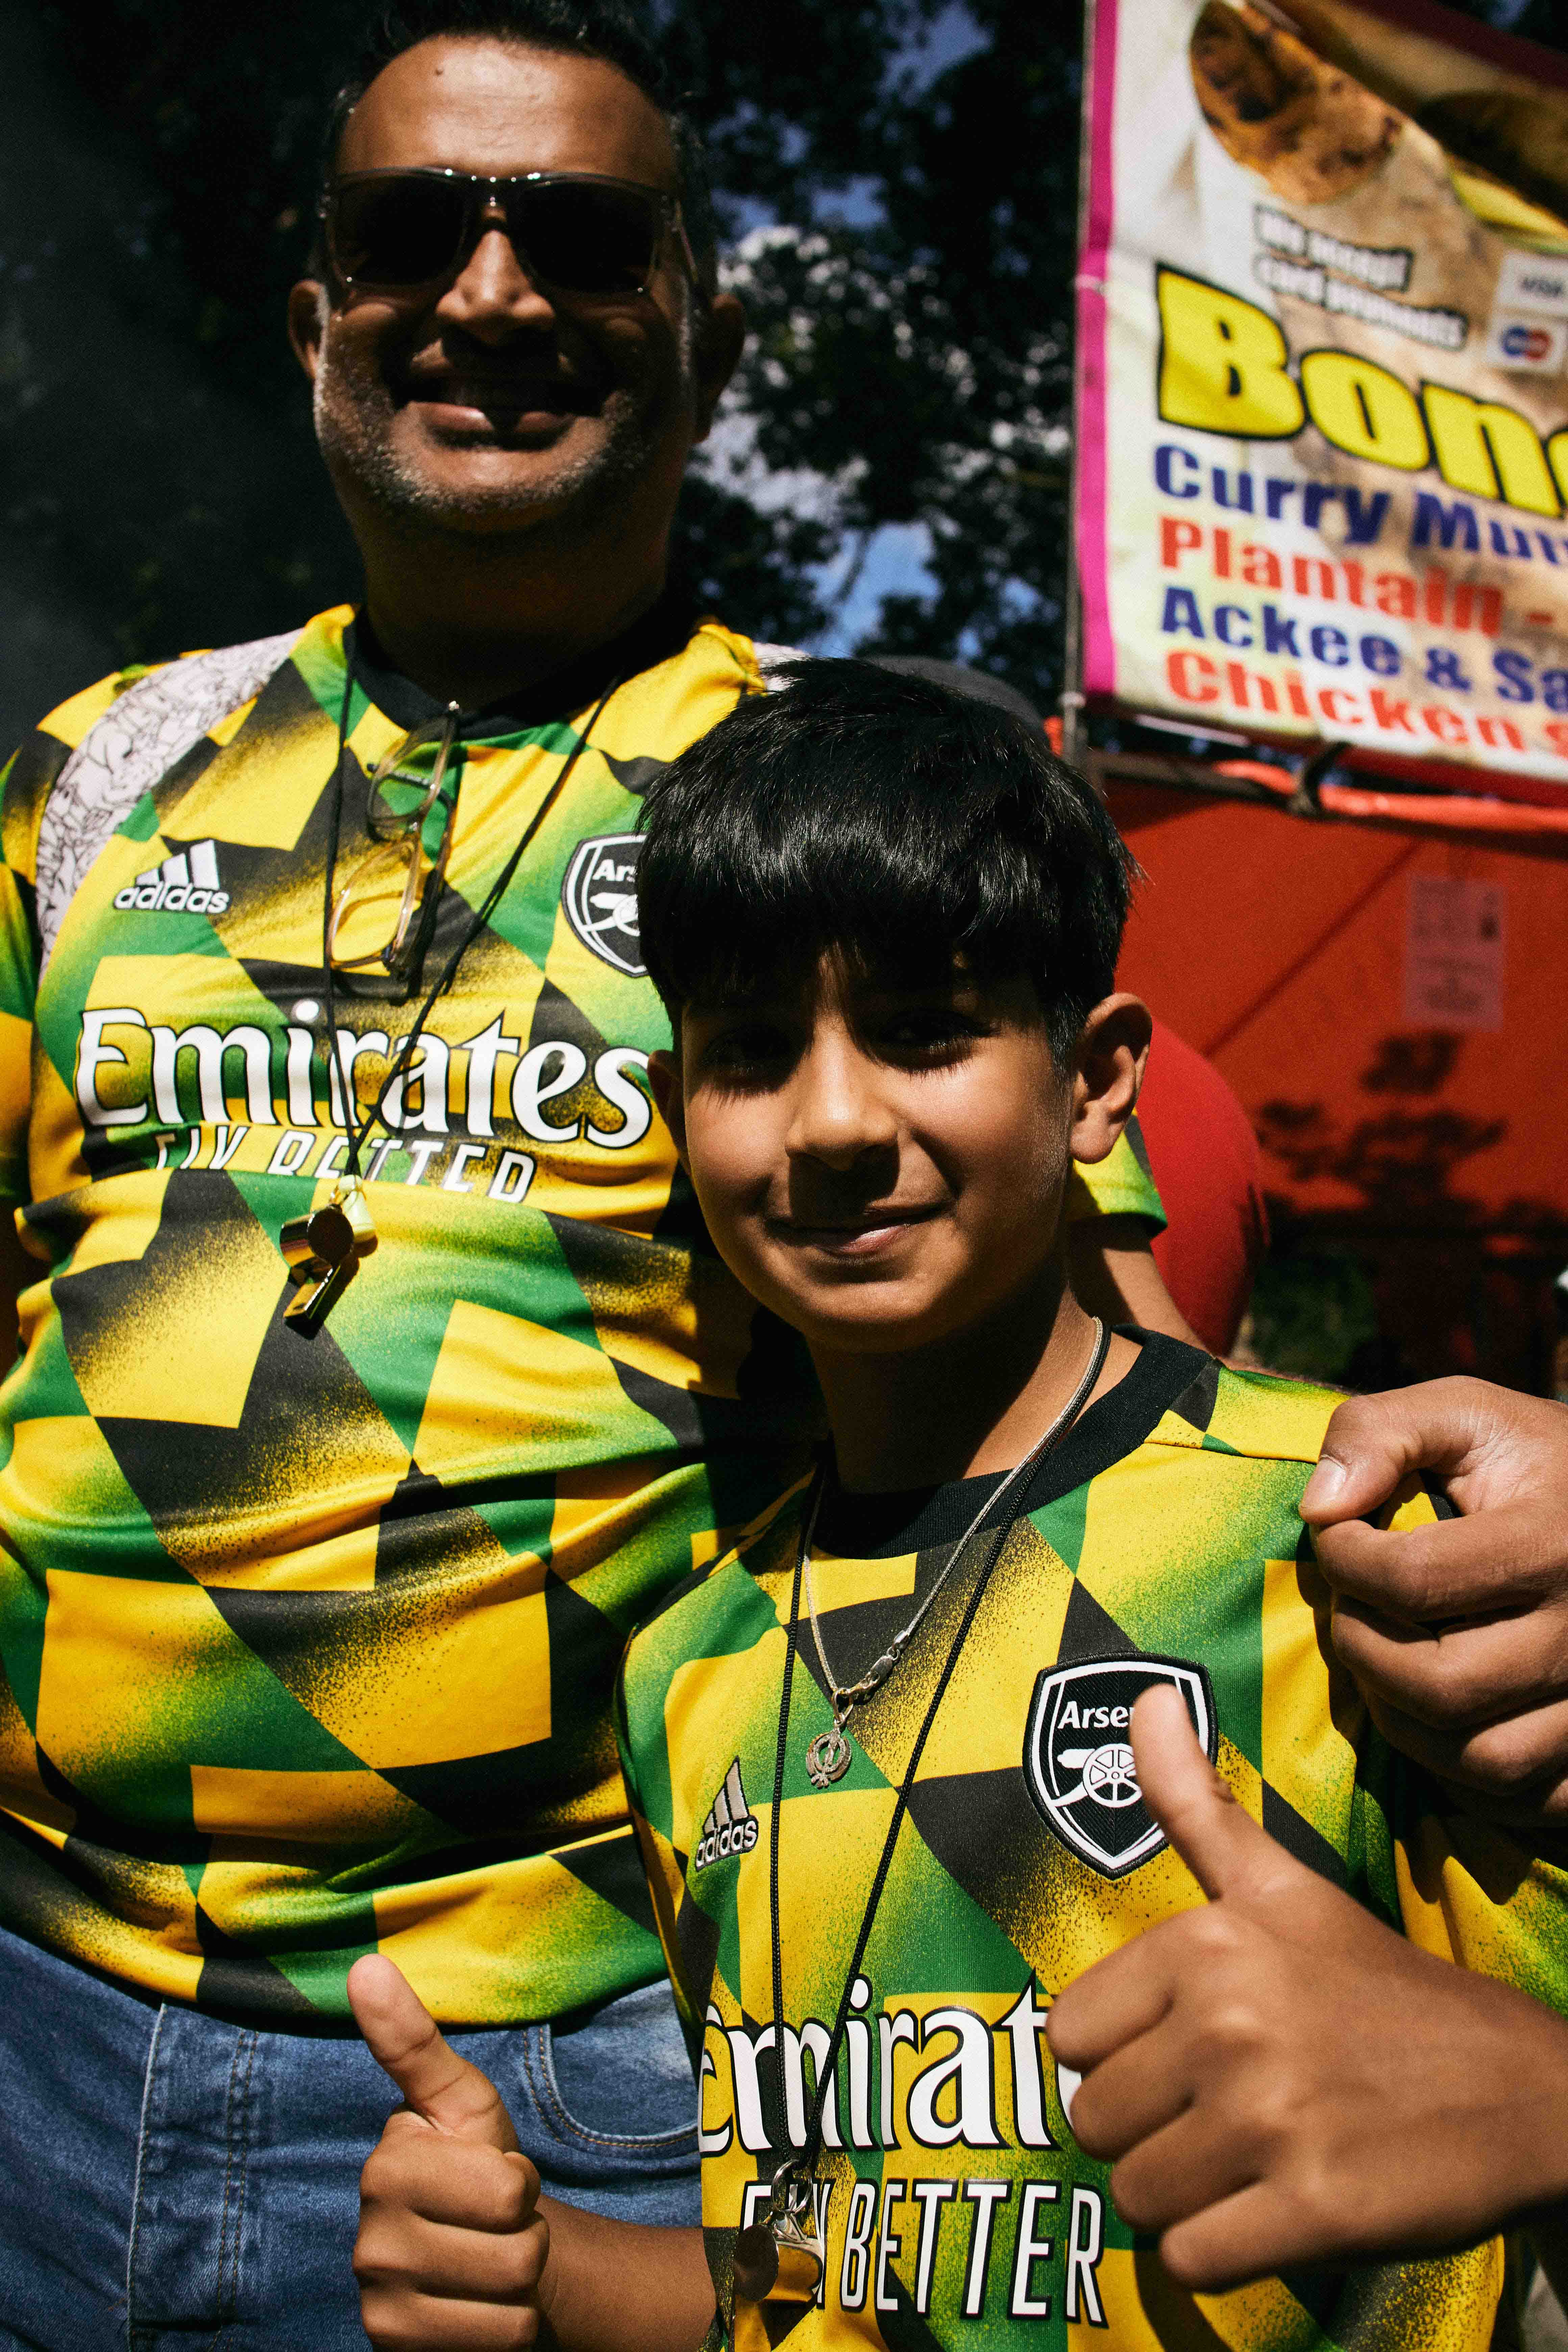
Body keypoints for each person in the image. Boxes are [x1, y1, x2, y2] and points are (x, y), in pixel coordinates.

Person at [0, 6, 1171, 2346]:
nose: (491, 290)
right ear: (319, 319)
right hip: (28, 2012)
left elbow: (1108, 1408)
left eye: (583, 238)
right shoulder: (101, 771)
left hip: (570, 2072)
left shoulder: (843, 795)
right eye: (413, 231)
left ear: (705, 339)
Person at [346, 660, 1568, 2350]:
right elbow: (797, 2279)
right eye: (751, 1052)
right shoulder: (684, 1671)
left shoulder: (1350, 1545)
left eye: (923, 1031)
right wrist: (542, 2271)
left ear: (1094, 1082)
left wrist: (1531, 2093)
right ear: (680, 1115)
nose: (835, 1122)